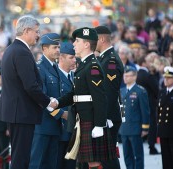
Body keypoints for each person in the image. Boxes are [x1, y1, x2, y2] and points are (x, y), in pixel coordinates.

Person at [53, 27, 117, 168]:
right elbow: (76, 95)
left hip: (91, 120)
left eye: (77, 41)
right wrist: (58, 102)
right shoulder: (84, 65)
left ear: (87, 44)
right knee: (85, 163)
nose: (74, 44)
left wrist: (100, 124)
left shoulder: (92, 66)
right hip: (83, 119)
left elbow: (100, 97)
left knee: (93, 162)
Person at [0, 15, 53, 169]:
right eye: (36, 31)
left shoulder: (12, 49)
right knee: (21, 158)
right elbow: (30, 86)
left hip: (17, 112)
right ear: (26, 30)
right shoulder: (21, 51)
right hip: (21, 113)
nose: (38, 35)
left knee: (18, 156)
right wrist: (48, 102)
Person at [29, 33, 65, 169]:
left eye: (58, 47)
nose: (58, 50)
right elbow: (42, 98)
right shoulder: (40, 68)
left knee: (51, 164)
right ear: (44, 48)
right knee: (37, 163)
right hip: (42, 125)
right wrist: (61, 114)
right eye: (54, 47)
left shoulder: (54, 67)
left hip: (54, 126)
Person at [94, 26, 124, 169]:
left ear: (101, 39)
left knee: (108, 157)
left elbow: (110, 94)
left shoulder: (110, 61)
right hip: (108, 115)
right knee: (106, 156)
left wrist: (103, 117)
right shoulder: (105, 59)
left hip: (109, 116)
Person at [120, 66, 150, 169]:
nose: (126, 78)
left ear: (135, 77)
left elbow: (145, 111)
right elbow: (121, 110)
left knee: (138, 155)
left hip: (135, 128)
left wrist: (145, 128)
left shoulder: (140, 91)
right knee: (127, 155)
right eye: (125, 75)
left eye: (128, 76)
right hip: (124, 128)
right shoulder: (122, 91)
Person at [56, 42, 76, 169]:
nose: (75, 60)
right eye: (71, 57)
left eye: (75, 57)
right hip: (59, 129)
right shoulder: (54, 76)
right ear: (61, 58)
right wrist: (61, 114)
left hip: (73, 131)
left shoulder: (75, 76)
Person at [136, 56, 160, 155]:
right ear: (144, 63)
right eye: (148, 62)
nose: (150, 64)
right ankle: (152, 146)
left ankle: (137, 145)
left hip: (137, 102)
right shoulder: (148, 75)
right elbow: (156, 89)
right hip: (149, 103)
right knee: (152, 124)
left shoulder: (136, 75)